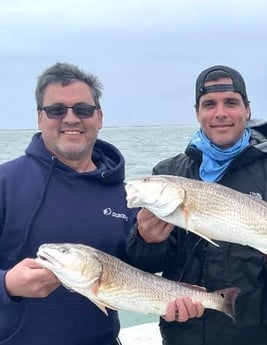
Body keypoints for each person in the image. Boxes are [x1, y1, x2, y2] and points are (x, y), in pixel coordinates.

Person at [126, 65, 267, 345]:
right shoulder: (169, 174)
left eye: (231, 103)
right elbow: (147, 267)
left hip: (260, 336)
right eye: (209, 104)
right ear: (197, 112)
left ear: (247, 109)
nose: (220, 113)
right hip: (184, 332)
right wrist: (146, 240)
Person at [0, 62, 140, 345]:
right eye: (57, 110)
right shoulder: (5, 182)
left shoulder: (128, 196)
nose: (71, 118)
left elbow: (137, 274)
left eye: (83, 109)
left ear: (99, 116)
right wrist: (7, 285)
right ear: (40, 117)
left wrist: (154, 244)